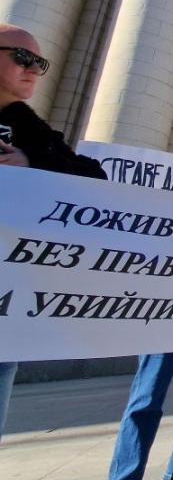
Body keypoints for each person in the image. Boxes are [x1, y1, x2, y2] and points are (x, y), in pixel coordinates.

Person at [0, 27, 105, 445]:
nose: (34, 71)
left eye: (40, 64)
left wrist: (31, 162)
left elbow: (92, 176)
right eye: (23, 58)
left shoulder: (27, 129)